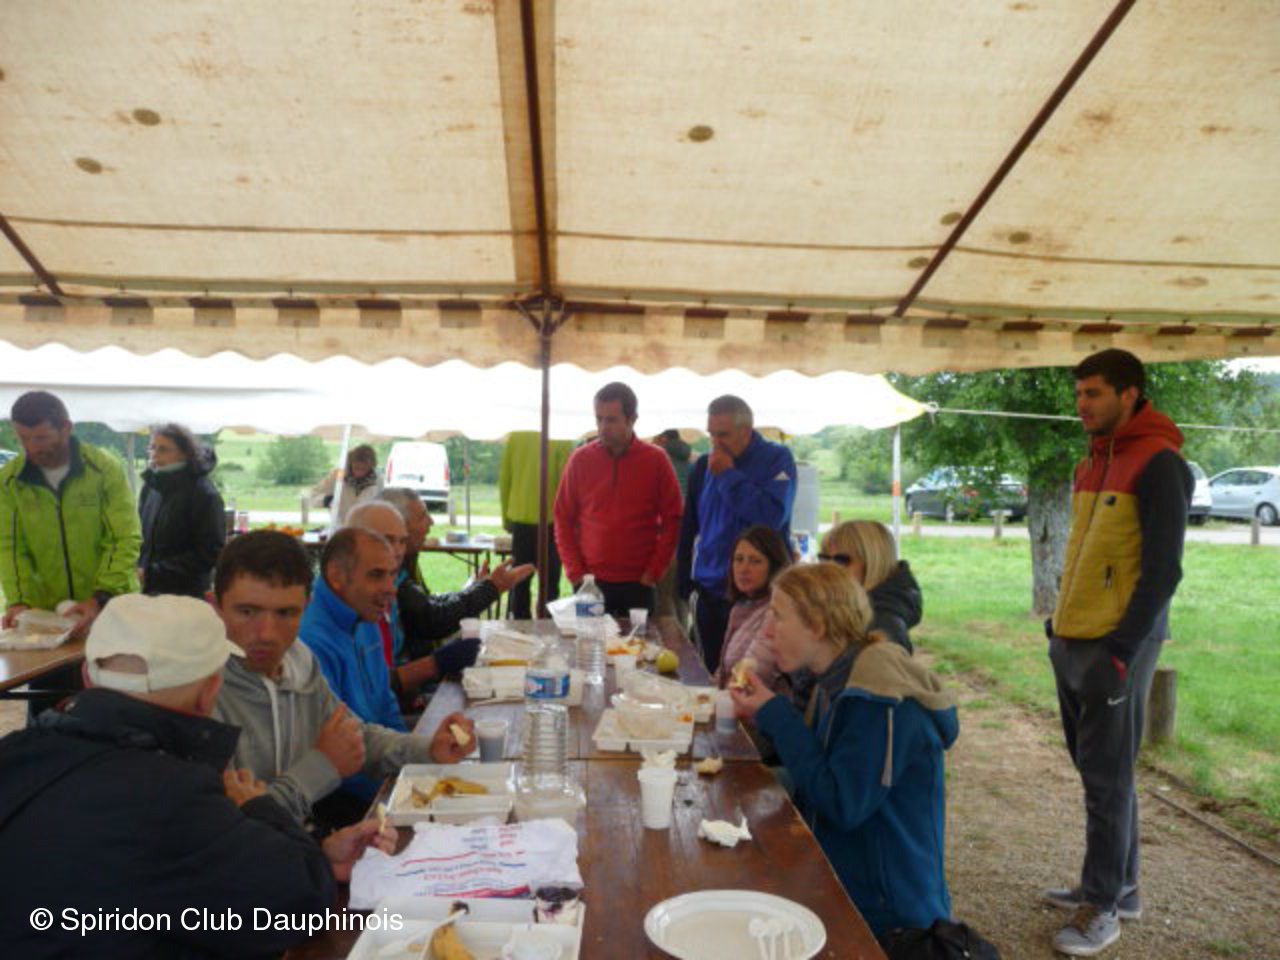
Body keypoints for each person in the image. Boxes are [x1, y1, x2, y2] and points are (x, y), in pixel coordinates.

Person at [0, 593, 392, 958]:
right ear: (210, 691)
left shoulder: (14, 752)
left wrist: (319, 859)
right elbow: (298, 907)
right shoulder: (171, 792)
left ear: (88, 676)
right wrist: (259, 806)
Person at [1042, 349, 1193, 957]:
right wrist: (1057, 626)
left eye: (1094, 393)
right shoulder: (1092, 460)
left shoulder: (1160, 463)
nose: (1082, 404)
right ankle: (1118, 887)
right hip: (1072, 637)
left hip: (1115, 646)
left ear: (1130, 394)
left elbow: (1164, 572)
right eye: (1079, 393)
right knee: (1097, 771)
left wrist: (1123, 651)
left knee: (1106, 780)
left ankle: (1101, 906)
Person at [730, 564, 958, 941]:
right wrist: (761, 721)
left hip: (891, 917)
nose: (767, 631)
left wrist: (776, 715)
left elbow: (841, 803)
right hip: (843, 881)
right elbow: (816, 770)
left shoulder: (879, 699)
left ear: (818, 626)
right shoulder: (834, 681)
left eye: (778, 616)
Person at [211, 530, 475, 828]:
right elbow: (230, 831)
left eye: (286, 613)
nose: (267, 634)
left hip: (305, 843)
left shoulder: (298, 657)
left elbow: (353, 736)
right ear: (215, 607)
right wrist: (322, 767)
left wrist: (427, 749)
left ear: (306, 605)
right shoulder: (202, 693)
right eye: (247, 612)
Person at [0, 390, 141, 638]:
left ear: (65, 428)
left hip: (111, 606)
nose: (32, 447)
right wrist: (19, 600)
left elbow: (124, 537)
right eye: (23, 438)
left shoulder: (103, 469)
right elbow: (9, 547)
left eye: (41, 437)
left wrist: (100, 595)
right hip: (49, 615)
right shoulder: (9, 481)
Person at [677, 394, 797, 672]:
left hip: (760, 594)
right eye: (711, 434)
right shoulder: (703, 466)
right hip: (710, 588)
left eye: (724, 435)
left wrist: (728, 476)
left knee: (751, 672)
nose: (716, 443)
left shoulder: (777, 459)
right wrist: (684, 577)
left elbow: (771, 517)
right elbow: (689, 525)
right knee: (708, 670)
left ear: (746, 431)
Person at [344, 500, 503, 703]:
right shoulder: (347, 615)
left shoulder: (388, 589)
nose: (397, 551)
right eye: (387, 540)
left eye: (402, 541)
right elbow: (370, 692)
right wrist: (435, 663)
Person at [553, 382, 683, 616]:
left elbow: (673, 519)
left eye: (611, 420)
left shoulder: (656, 460)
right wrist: (575, 573)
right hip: (589, 583)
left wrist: (653, 572)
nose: (603, 427)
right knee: (589, 640)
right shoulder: (580, 459)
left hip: (639, 584)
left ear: (632, 419)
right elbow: (562, 517)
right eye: (599, 419)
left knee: (639, 642)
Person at [379, 487, 532, 655]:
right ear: (398, 527)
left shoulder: (404, 563)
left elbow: (428, 603)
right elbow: (433, 619)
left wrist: (477, 589)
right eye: (422, 516)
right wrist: (490, 588)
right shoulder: (389, 574)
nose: (431, 521)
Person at [137, 422, 226, 598]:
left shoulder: (203, 494)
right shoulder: (151, 487)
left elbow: (209, 553)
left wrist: (153, 572)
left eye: (163, 449)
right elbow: (140, 537)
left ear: (184, 453)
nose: (154, 454)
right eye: (152, 448)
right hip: (149, 590)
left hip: (186, 594)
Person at [498, 431, 574, 618]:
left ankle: (520, 626)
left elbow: (505, 479)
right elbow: (566, 483)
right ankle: (547, 625)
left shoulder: (515, 436)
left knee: (519, 582)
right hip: (551, 522)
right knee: (550, 584)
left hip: (521, 520)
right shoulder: (561, 435)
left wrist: (506, 518)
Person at [819, 519, 921, 653]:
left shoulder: (883, 625)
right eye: (824, 558)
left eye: (841, 560)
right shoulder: (849, 606)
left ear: (872, 564)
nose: (829, 569)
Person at [711, 524, 792, 693]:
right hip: (730, 701)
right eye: (739, 559)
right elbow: (724, 671)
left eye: (755, 561)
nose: (743, 569)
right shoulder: (740, 607)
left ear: (774, 567)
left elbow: (749, 679)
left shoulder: (774, 611)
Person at [653, 428, 694, 627]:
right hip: (688, 538)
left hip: (665, 535)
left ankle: (672, 641)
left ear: (662, 438)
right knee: (681, 596)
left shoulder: (658, 460)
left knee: (664, 596)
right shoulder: (692, 462)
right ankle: (684, 636)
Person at [310, 443, 382, 532]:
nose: (359, 472)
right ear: (350, 463)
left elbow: (382, 505)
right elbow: (312, 495)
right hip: (340, 528)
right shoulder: (338, 475)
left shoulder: (378, 479)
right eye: (356, 467)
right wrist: (325, 500)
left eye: (364, 469)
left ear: (371, 467)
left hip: (366, 529)